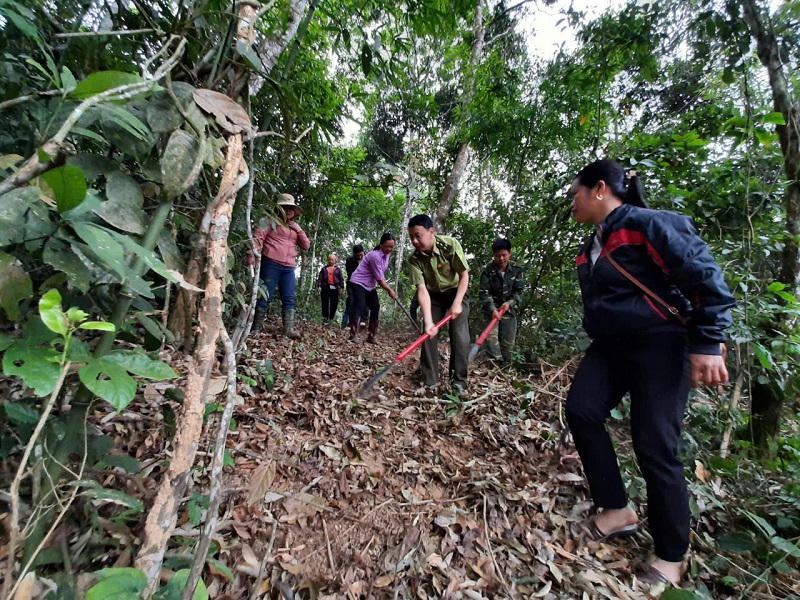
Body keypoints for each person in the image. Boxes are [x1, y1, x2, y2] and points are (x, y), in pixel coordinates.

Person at [565, 159, 734, 586]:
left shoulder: (647, 224)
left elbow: (702, 275)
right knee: (582, 411)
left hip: (662, 343)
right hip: (611, 346)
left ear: (600, 188)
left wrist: (708, 342)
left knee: (654, 445)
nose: (571, 202)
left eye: (575, 193)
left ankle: (671, 552)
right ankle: (617, 507)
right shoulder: (589, 249)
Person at [407, 214, 470, 396]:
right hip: (433, 295)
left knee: (459, 337)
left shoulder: (449, 245)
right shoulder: (414, 259)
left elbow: (464, 275)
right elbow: (422, 290)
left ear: (431, 232)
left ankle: (459, 384)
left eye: (418, 235)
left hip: (456, 292)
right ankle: (430, 383)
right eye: (412, 237)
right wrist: (428, 321)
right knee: (427, 334)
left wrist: (457, 303)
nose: (415, 241)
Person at [248, 193, 310, 339]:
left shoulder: (294, 228)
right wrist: (252, 255)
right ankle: (256, 327)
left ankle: (288, 329)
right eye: (285, 207)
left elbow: (306, 245)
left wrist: (299, 229)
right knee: (265, 295)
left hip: (289, 267)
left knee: (289, 297)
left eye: (291, 208)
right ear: (279, 209)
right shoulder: (269, 221)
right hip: (271, 263)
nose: (288, 210)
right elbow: (258, 238)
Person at [478, 238, 526, 363]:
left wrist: (509, 303)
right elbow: (483, 293)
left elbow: (520, 292)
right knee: (491, 342)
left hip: (509, 312)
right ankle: (493, 369)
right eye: (497, 256)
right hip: (491, 312)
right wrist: (493, 308)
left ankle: (506, 370)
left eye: (504, 255)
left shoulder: (517, 270)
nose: (501, 259)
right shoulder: (487, 270)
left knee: (508, 345)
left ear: (509, 253)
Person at [348, 233, 397, 343]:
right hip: (358, 282)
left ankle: (371, 336)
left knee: (375, 307)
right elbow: (379, 279)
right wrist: (389, 290)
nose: (389, 249)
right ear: (381, 245)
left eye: (392, 247)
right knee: (359, 305)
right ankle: (353, 335)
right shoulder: (374, 256)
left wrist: (387, 287)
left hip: (369, 285)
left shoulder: (387, 255)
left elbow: (380, 273)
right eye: (387, 246)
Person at [341, 245, 367, 328]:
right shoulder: (350, 260)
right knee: (351, 301)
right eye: (357, 255)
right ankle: (348, 323)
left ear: (363, 252)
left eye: (361, 255)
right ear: (353, 254)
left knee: (365, 302)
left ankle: (363, 321)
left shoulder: (368, 258)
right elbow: (350, 274)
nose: (359, 257)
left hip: (365, 284)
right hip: (352, 284)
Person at [317, 253, 344, 322]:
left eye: (332, 259)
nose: (330, 261)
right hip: (325, 287)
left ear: (335, 260)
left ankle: (331, 319)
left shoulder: (338, 269)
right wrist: (319, 286)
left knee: (334, 304)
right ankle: (325, 319)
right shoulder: (324, 269)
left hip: (335, 288)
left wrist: (341, 288)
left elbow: (341, 279)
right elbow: (320, 278)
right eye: (329, 259)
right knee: (324, 304)